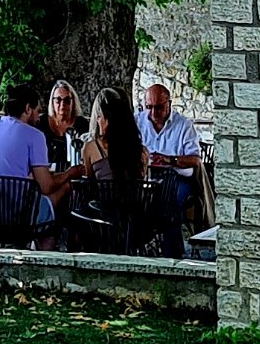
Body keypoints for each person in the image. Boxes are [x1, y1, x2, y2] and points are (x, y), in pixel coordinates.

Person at [0, 78, 82, 238]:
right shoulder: (34, 135)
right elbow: (46, 187)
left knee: (37, 201)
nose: (38, 117)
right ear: (28, 108)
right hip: (14, 218)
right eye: (37, 111)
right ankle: (50, 247)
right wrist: (69, 173)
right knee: (65, 189)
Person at [74, 87, 147, 244]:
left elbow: (88, 185)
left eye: (100, 116)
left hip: (100, 221)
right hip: (135, 223)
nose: (97, 120)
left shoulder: (91, 148)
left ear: (108, 119)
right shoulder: (140, 151)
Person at [137, 78, 205, 246]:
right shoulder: (137, 121)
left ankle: (172, 252)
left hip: (177, 177)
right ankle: (140, 245)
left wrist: (170, 160)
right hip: (146, 177)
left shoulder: (183, 125)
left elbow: (195, 160)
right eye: (149, 107)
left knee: (170, 204)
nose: (153, 113)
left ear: (169, 104)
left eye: (158, 107)